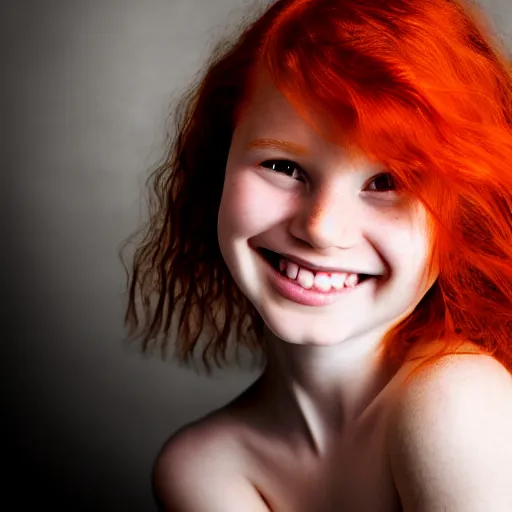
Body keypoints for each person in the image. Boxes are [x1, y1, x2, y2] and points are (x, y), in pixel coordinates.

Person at [121, 0, 512, 510]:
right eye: (284, 166)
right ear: (219, 163)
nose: (322, 228)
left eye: (388, 181)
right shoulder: (200, 468)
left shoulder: (457, 402)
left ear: (464, 216)